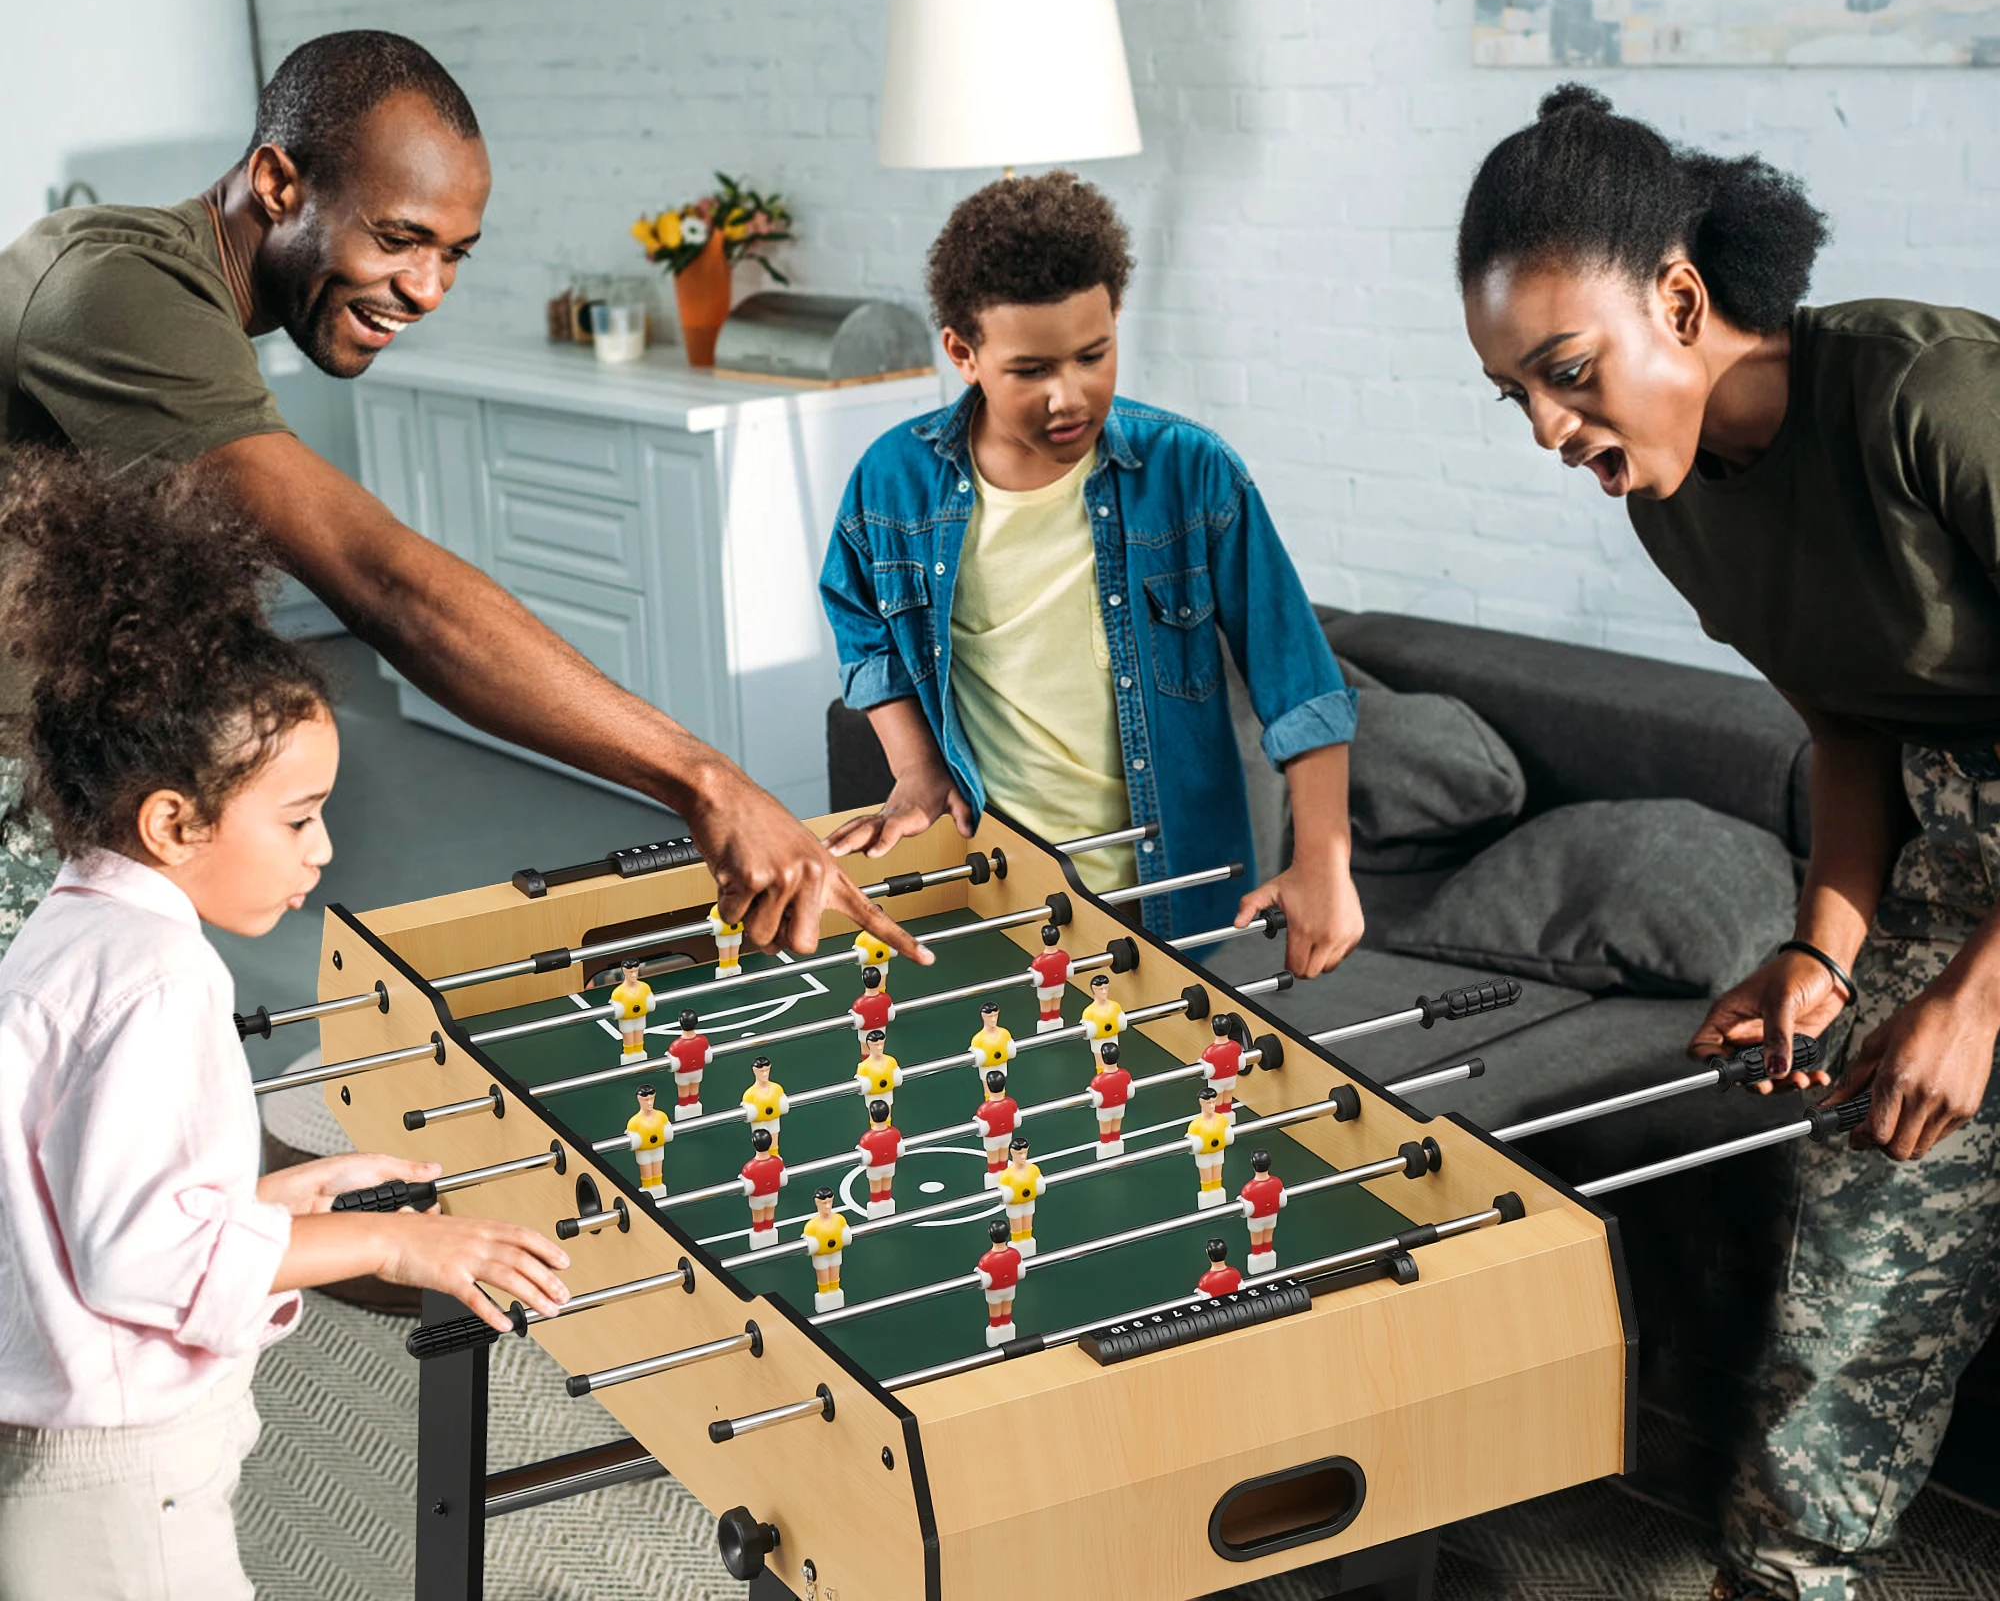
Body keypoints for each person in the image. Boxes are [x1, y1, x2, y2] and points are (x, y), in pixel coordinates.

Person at [0, 30, 921, 972]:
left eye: (454, 255)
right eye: (397, 239)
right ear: (277, 183)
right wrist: (707, 781)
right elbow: (382, 583)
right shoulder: (114, 290)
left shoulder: (171, 288)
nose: (426, 288)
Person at [1457, 84, 2000, 1601]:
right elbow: (1848, 730)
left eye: (1569, 374)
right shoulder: (1673, 501)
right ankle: (1792, 1568)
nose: (1554, 431)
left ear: (1680, 302)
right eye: (1518, 396)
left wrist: (1976, 999)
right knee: (1865, 1221)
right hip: (1957, 847)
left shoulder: (1926, 398)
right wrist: (1825, 953)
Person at [0, 453, 571, 1599]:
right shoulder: (163, 978)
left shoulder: (70, 927)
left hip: (60, 1441)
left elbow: (83, 1196)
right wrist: (395, 1243)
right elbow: (142, 1258)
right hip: (124, 1477)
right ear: (172, 819)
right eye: (300, 816)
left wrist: (262, 1199)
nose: (321, 849)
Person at [818, 170, 1361, 967]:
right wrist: (916, 767)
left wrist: (1324, 864)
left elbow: (1301, 683)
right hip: (999, 888)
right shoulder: (891, 480)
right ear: (963, 354)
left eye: (1093, 355)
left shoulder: (1194, 472)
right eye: (1031, 370)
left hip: (1171, 899)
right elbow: (860, 622)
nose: (1068, 396)